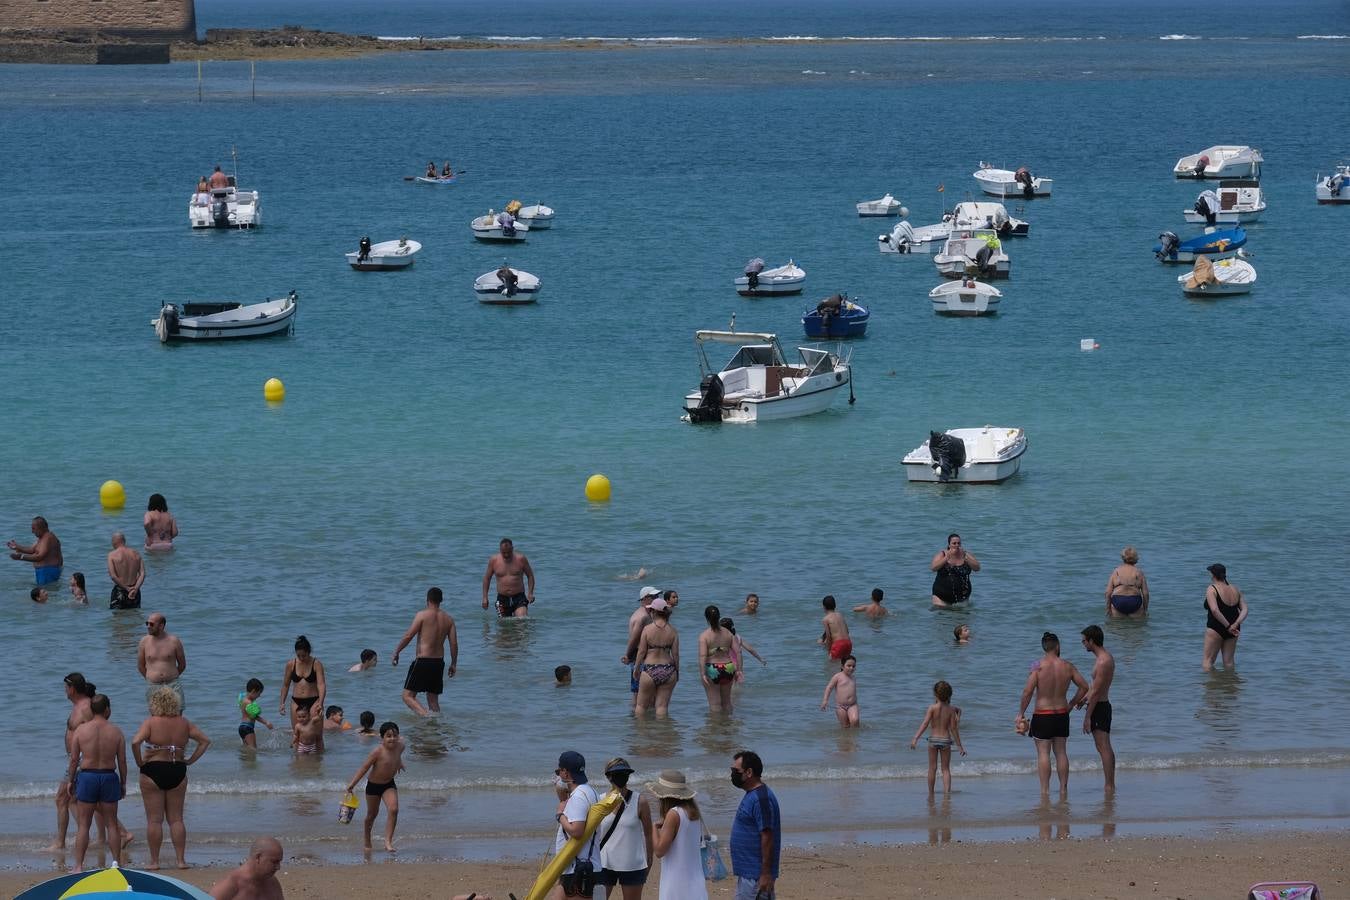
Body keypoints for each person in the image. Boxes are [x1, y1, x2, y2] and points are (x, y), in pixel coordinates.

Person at [132, 686, 210, 870]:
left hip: (153, 770)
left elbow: (135, 742)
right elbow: (205, 741)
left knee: (154, 820)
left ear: (154, 703)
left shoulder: (151, 722)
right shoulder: (184, 723)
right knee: (176, 819)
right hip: (177, 770)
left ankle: (154, 861)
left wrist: (139, 762)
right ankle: (181, 861)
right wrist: (190, 760)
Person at [1017, 632, 1089, 797]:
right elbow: (1084, 687)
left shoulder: (1037, 666)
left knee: (1043, 753)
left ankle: (1045, 792)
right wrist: (1071, 704)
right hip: (1062, 714)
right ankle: (1063, 789)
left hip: (1043, 714)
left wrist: (1021, 713)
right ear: (1057, 646)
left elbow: (1028, 691)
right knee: (1061, 752)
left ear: (1044, 648)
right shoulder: (1067, 666)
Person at [67, 694, 128, 873]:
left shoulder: (81, 731)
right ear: (107, 709)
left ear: (92, 710)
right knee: (111, 824)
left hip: (87, 777)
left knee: (84, 824)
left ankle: (78, 866)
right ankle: (116, 864)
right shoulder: (116, 731)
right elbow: (122, 761)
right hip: (109, 776)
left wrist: (71, 780)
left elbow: (73, 760)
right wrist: (123, 783)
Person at [392, 586, 458, 716]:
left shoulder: (422, 615)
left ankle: (426, 717)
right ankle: (436, 725)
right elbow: (454, 644)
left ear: (427, 599)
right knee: (433, 700)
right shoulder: (449, 619)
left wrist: (397, 652)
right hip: (439, 662)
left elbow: (408, 636)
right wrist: (454, 663)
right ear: (441, 600)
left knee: (407, 696)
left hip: (423, 661)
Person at [49, 673, 95, 852]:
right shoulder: (78, 706)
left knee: (62, 798)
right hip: (76, 758)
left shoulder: (85, 708)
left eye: (66, 688)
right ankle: (117, 833)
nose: (65, 692)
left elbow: (97, 730)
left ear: (72, 689)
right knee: (72, 801)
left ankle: (60, 843)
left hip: (81, 759)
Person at [597, 757, 654, 900]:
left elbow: (648, 834)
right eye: (617, 774)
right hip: (604, 862)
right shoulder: (600, 800)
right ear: (608, 776)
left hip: (632, 863)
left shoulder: (640, 801)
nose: (622, 777)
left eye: (624, 773)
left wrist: (649, 860)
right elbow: (592, 834)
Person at [648, 770, 708, 900]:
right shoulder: (694, 813)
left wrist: (653, 827)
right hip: (695, 881)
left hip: (676, 883)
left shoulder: (674, 814)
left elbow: (659, 851)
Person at [346, 721, 405, 852]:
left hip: (389, 784)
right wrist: (352, 784)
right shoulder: (377, 752)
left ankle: (388, 842)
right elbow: (364, 768)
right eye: (388, 736)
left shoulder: (400, 746)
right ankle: (367, 838)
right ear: (382, 738)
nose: (392, 739)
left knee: (394, 809)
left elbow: (398, 753)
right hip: (373, 786)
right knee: (372, 815)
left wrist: (399, 762)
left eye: (395, 735)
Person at [730, 750, 780, 900]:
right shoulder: (753, 795)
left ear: (749, 772)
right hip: (748, 874)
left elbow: (767, 836)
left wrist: (765, 873)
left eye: (736, 770)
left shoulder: (760, 799)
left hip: (755, 877)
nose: (732, 774)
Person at [553, 750, 601, 899]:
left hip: (578, 868)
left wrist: (560, 815)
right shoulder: (591, 791)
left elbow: (577, 831)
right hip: (580, 865)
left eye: (559, 771)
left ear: (566, 773)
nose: (558, 775)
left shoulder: (578, 796)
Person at [1076, 625, 1116, 794]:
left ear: (1092, 641)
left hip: (1100, 707)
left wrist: (1087, 717)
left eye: (1084, 641)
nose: (1083, 644)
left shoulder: (1103, 661)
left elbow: (1098, 691)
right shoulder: (1103, 658)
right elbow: (1095, 687)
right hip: (1099, 704)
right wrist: (1083, 699)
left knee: (1103, 746)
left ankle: (1109, 785)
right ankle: (1110, 784)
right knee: (1103, 746)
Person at [909, 680, 965, 795]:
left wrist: (915, 738)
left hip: (933, 740)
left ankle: (931, 793)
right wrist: (960, 746)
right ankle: (947, 793)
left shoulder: (932, 708)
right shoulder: (951, 709)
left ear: (935, 694)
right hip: (945, 741)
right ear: (949, 695)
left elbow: (925, 724)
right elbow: (954, 729)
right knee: (945, 769)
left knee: (932, 768)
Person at [634, 597, 679, 717]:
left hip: (650, 669)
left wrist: (636, 669)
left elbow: (642, 652)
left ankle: (640, 734)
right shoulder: (673, 631)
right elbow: (675, 654)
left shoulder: (647, 629)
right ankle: (663, 732)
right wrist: (677, 671)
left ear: (654, 612)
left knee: (641, 706)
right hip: (669, 669)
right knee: (662, 707)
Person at [1203, 563, 1248, 671]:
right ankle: (1230, 686)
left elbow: (1214, 610)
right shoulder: (1235, 589)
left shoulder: (1212, 589)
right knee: (1229, 662)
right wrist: (1235, 624)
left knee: (1208, 661)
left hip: (1216, 628)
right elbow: (1245, 610)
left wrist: (1228, 626)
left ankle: (1210, 687)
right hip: (1234, 630)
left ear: (1213, 575)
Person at [209, 836, 285, 899]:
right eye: (274, 862)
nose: (278, 867)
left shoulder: (272, 883)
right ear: (258, 857)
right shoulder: (231, 885)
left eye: (279, 862)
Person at [622, 586, 661, 706]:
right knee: (638, 691)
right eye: (653, 597)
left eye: (657, 596)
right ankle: (637, 718)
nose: (656, 599)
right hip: (639, 654)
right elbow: (634, 638)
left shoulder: (646, 613)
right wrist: (627, 655)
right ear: (644, 599)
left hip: (643, 654)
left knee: (642, 690)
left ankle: (643, 718)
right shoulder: (642, 616)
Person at [139, 612, 187, 709]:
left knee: (177, 716)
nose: (148, 626)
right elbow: (140, 666)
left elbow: (182, 665)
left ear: (161, 626)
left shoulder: (174, 641)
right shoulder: (144, 641)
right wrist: (151, 678)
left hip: (172, 684)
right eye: (147, 623)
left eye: (151, 624)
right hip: (153, 685)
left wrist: (171, 676)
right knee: (156, 719)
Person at [482, 538, 535, 618]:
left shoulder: (521, 559)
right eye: (504, 553)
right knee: (504, 627)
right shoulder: (494, 560)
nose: (506, 555)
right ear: (500, 550)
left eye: (509, 552)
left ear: (512, 549)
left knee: (522, 620)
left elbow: (530, 576)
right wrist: (485, 597)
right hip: (502, 599)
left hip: (519, 597)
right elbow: (487, 578)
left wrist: (530, 593)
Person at [278, 635, 325, 725]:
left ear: (309, 652)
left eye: (304, 655)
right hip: (296, 701)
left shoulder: (316, 664)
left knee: (315, 734)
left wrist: (321, 702)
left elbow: (321, 684)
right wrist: (282, 703)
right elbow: (285, 685)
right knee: (297, 733)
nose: (301, 658)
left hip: (314, 700)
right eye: (298, 655)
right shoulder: (291, 664)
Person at [698, 605, 738, 713]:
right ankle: (728, 725)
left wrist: (702, 674)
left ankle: (716, 728)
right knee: (727, 702)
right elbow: (738, 652)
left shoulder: (704, 636)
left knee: (715, 704)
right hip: (728, 667)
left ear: (706, 618)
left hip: (712, 669)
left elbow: (702, 656)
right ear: (719, 616)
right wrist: (739, 670)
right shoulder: (728, 633)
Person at [9, 515, 63, 585]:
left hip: (48, 571)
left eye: (34, 529)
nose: (32, 531)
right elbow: (31, 550)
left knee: (47, 594)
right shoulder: (42, 538)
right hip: (44, 572)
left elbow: (40, 557)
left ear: (42, 528)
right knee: (41, 594)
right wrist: (17, 547)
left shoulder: (48, 538)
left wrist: (21, 557)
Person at [931, 534, 980, 607]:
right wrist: (946, 558)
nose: (957, 545)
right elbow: (933, 568)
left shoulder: (965, 554)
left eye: (959, 543)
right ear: (949, 545)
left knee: (963, 617)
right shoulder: (942, 554)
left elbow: (977, 568)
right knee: (942, 617)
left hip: (963, 598)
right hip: (941, 597)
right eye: (954, 543)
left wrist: (966, 558)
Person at [1104, 546, 1149, 617]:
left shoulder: (1116, 571)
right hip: (1134, 601)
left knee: (1117, 626)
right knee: (1137, 627)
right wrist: (1145, 609)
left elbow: (1108, 592)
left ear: (1123, 558)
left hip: (1118, 601)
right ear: (1135, 558)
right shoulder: (1139, 572)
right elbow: (1145, 594)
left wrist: (1108, 609)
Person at [107, 532, 145, 609]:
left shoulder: (112, 555)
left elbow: (113, 576)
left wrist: (127, 588)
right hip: (135, 592)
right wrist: (136, 588)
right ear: (124, 541)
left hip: (120, 591)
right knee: (134, 617)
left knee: (118, 619)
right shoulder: (136, 553)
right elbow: (142, 573)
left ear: (114, 542)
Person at [820, 655, 860, 727]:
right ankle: (846, 738)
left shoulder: (853, 677)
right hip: (840, 706)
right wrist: (825, 700)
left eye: (853, 666)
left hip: (853, 705)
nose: (851, 668)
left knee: (855, 720)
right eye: (849, 666)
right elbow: (829, 688)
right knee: (845, 726)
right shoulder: (838, 676)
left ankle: (856, 737)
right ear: (842, 666)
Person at [721, 617, 764, 683]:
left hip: (727, 665)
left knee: (729, 688)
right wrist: (760, 659)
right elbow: (750, 649)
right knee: (737, 687)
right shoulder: (738, 637)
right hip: (738, 665)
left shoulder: (722, 639)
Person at [238, 679, 273, 747]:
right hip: (248, 728)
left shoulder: (242, 699)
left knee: (246, 748)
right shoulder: (249, 703)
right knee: (253, 749)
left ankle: (245, 757)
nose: (259, 696)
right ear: (253, 691)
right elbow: (254, 716)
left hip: (241, 727)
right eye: (259, 693)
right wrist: (266, 722)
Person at [818, 595, 852, 659]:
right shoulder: (840, 615)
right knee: (843, 664)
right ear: (835, 605)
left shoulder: (825, 619)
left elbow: (829, 637)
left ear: (824, 607)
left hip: (838, 645)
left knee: (832, 665)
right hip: (848, 643)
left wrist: (828, 651)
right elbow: (847, 631)